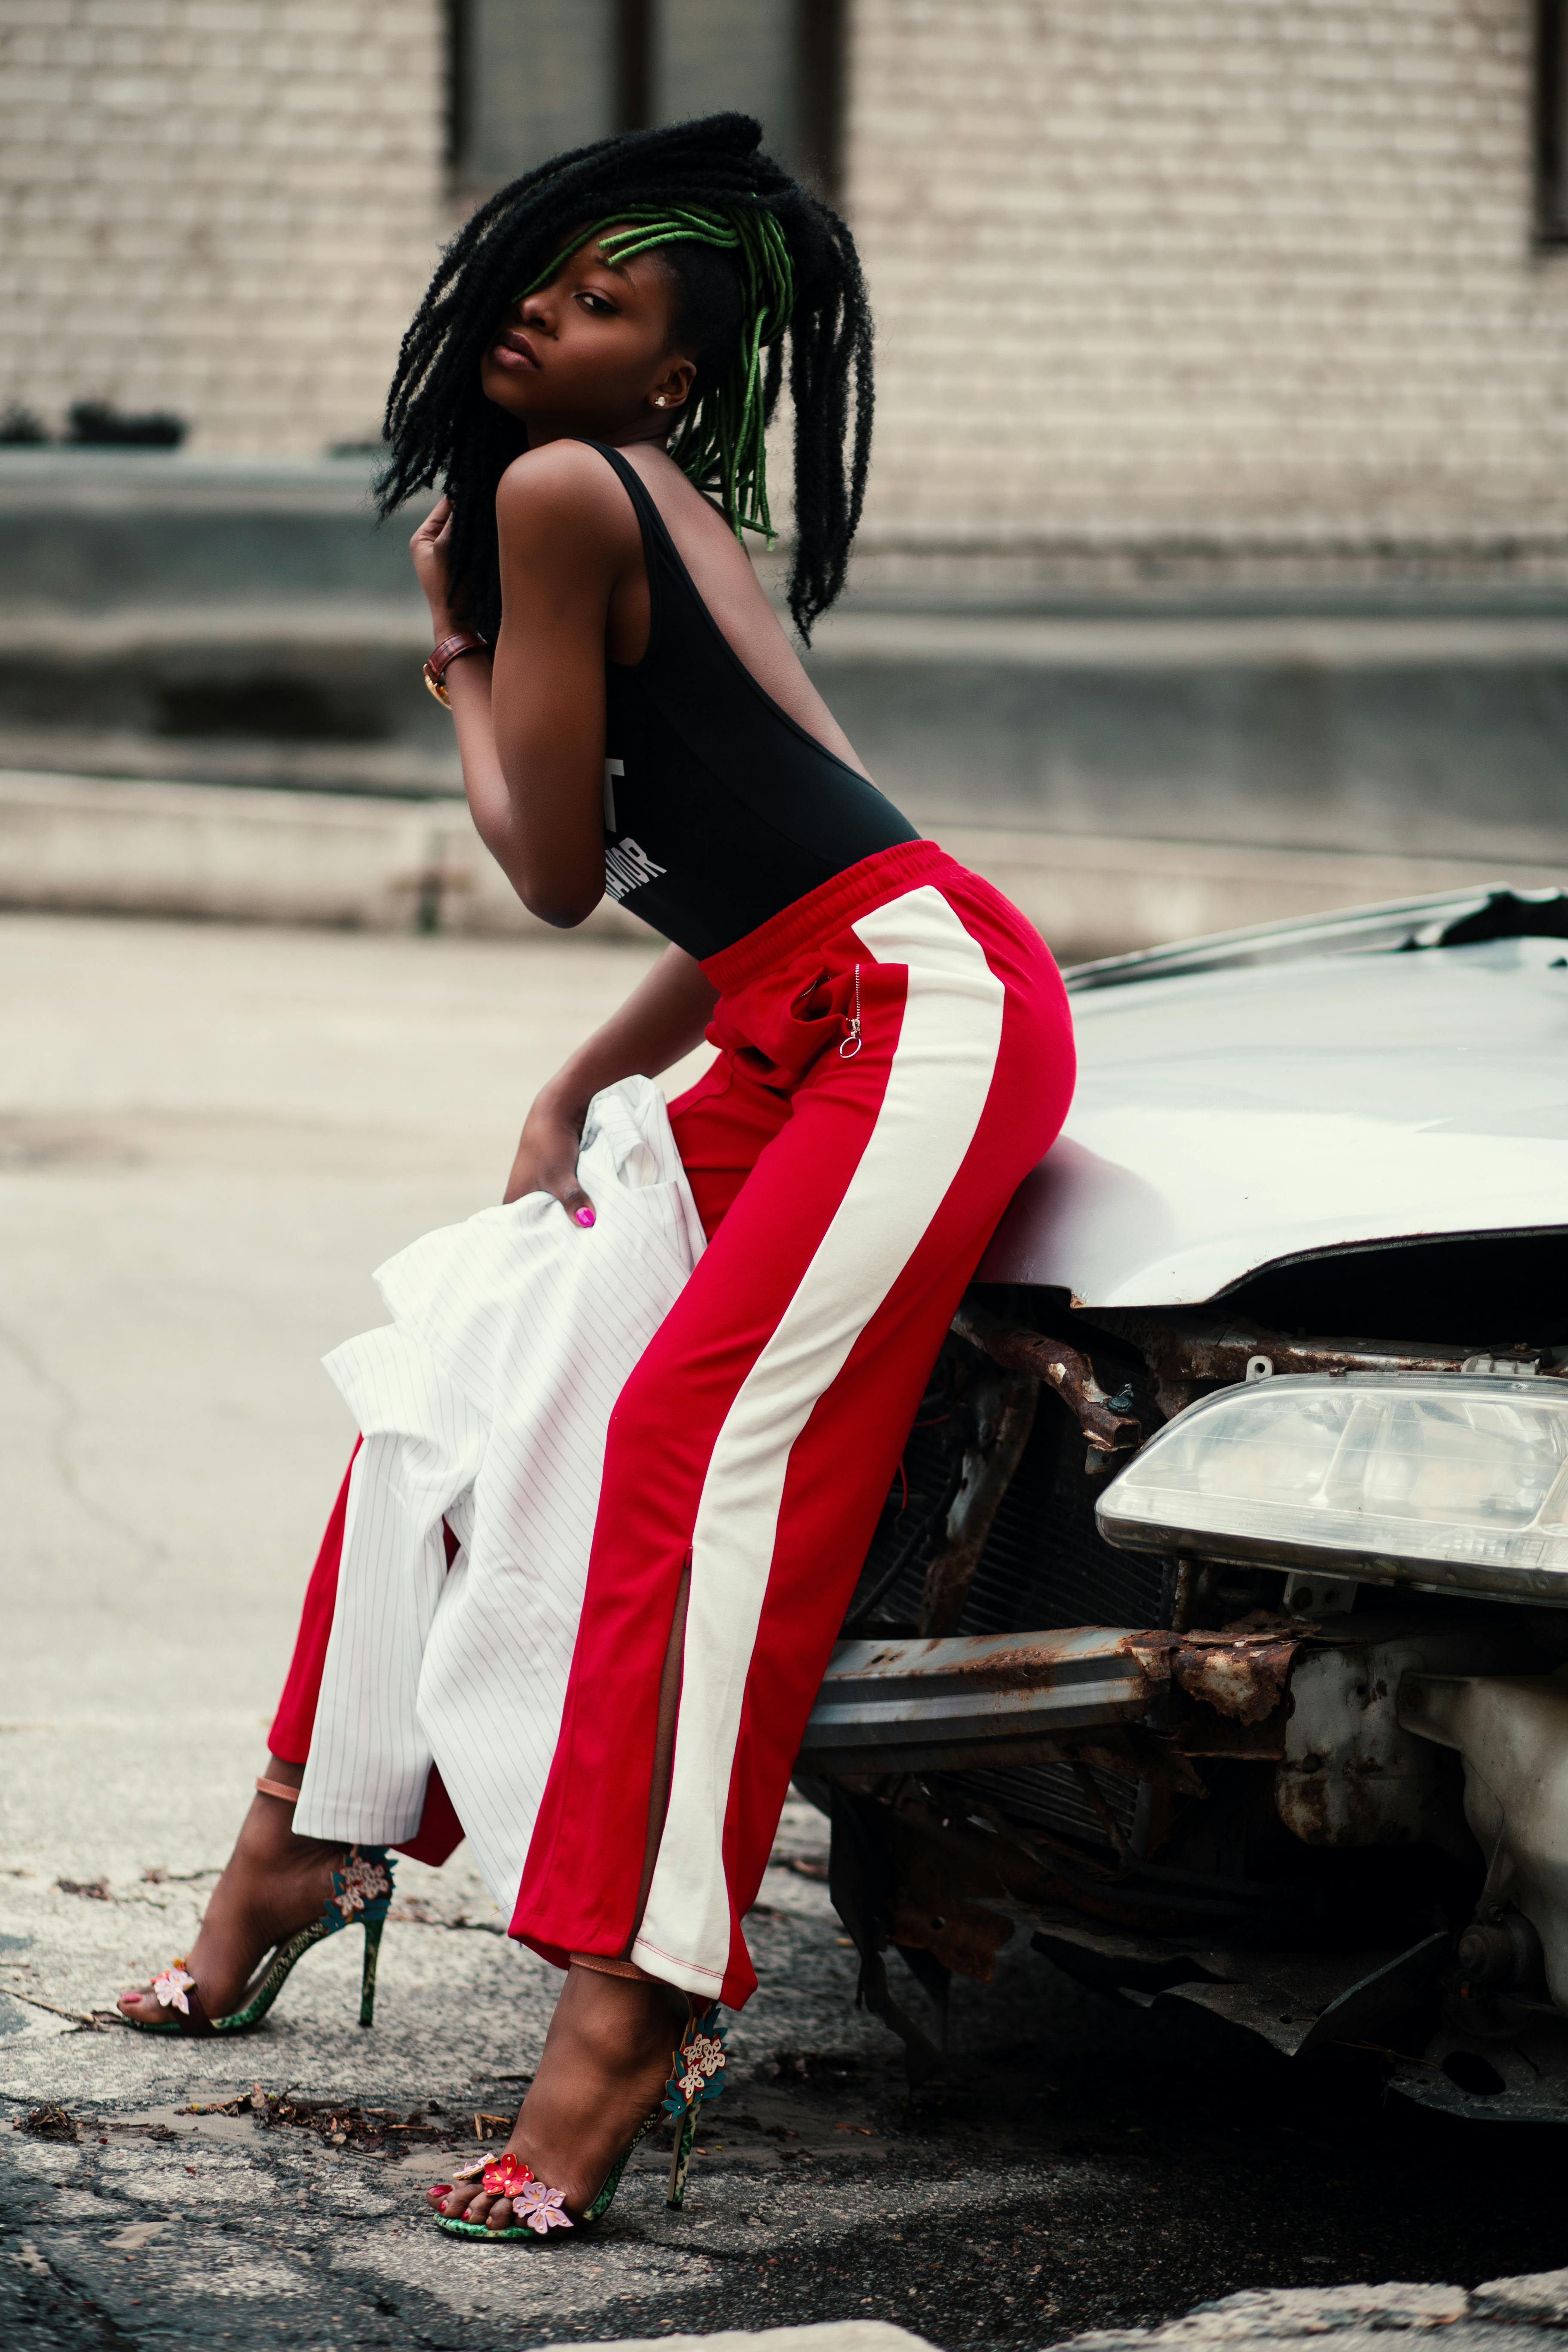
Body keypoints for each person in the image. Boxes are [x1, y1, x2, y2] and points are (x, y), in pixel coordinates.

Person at [117, 112, 1075, 2237]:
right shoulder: (648, 499)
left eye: (609, 303)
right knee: (471, 1369)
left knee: (691, 1457)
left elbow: (558, 869)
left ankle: (634, 2012)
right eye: (552, 273)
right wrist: (587, 1083)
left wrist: (454, 666)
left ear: (664, 382)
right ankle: (305, 1840)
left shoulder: (562, 498)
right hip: (807, 1010)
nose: (548, 306)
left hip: (919, 1015)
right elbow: (763, 875)